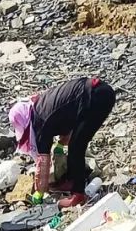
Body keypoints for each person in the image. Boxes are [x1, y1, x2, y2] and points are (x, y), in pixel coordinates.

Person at [8, 76, 117, 209]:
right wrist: (60, 145)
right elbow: (64, 114)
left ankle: (78, 195)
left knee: (76, 147)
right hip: (97, 91)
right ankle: (72, 180)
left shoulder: (40, 121)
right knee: (76, 144)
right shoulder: (41, 105)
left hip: (96, 98)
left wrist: (39, 192)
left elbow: (43, 162)